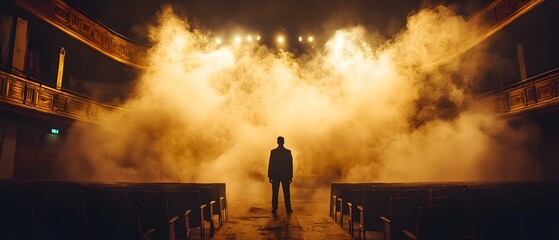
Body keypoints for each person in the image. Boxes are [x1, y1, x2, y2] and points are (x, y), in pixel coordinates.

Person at [268, 136, 293, 215]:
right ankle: (288, 208)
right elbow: (290, 165)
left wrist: (270, 175)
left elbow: (271, 164)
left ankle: (274, 208)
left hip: (275, 175)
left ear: (277, 142)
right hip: (285, 175)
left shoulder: (273, 152)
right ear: (283, 142)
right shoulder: (288, 152)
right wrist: (290, 176)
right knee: (286, 193)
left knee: (275, 193)